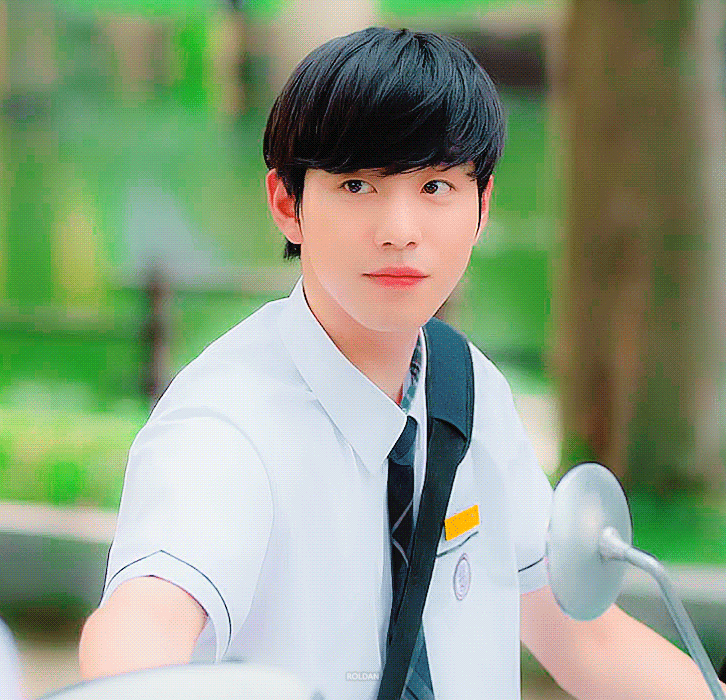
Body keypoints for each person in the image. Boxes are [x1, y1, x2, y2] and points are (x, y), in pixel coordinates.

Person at [79, 27, 726, 699]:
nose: (399, 231)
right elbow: (142, 624)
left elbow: (586, 638)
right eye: (358, 184)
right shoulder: (225, 425)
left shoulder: (465, 386)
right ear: (287, 204)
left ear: (482, 208)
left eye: (436, 186)